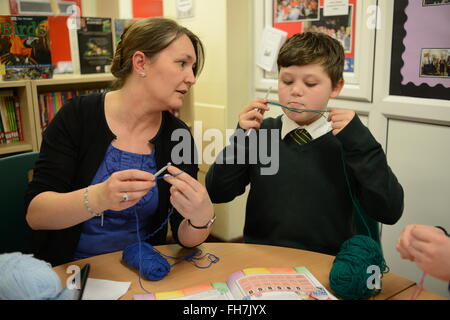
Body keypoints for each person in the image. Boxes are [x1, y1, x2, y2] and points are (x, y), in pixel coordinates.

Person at [25, 18, 215, 266]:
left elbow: (184, 237)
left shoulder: (178, 135)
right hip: (69, 272)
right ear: (140, 62)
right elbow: (36, 215)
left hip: (141, 271)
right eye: (182, 64)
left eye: (193, 68)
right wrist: (99, 197)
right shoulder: (78, 116)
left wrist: (201, 219)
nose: (191, 78)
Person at [205, 32, 404, 255]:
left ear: (336, 87)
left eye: (310, 83)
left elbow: (390, 210)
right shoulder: (262, 132)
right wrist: (241, 139)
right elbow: (217, 192)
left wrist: (363, 144)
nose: (296, 90)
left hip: (326, 264)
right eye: (287, 81)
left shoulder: (351, 141)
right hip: (262, 259)